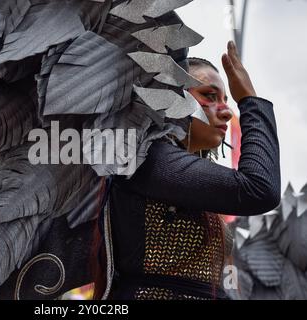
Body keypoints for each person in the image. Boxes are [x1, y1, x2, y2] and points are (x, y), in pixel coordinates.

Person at [101, 41, 281, 300]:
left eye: (227, 100)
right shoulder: (148, 159)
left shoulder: (179, 170)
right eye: (209, 96)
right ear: (173, 98)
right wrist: (250, 100)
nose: (227, 111)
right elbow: (260, 188)